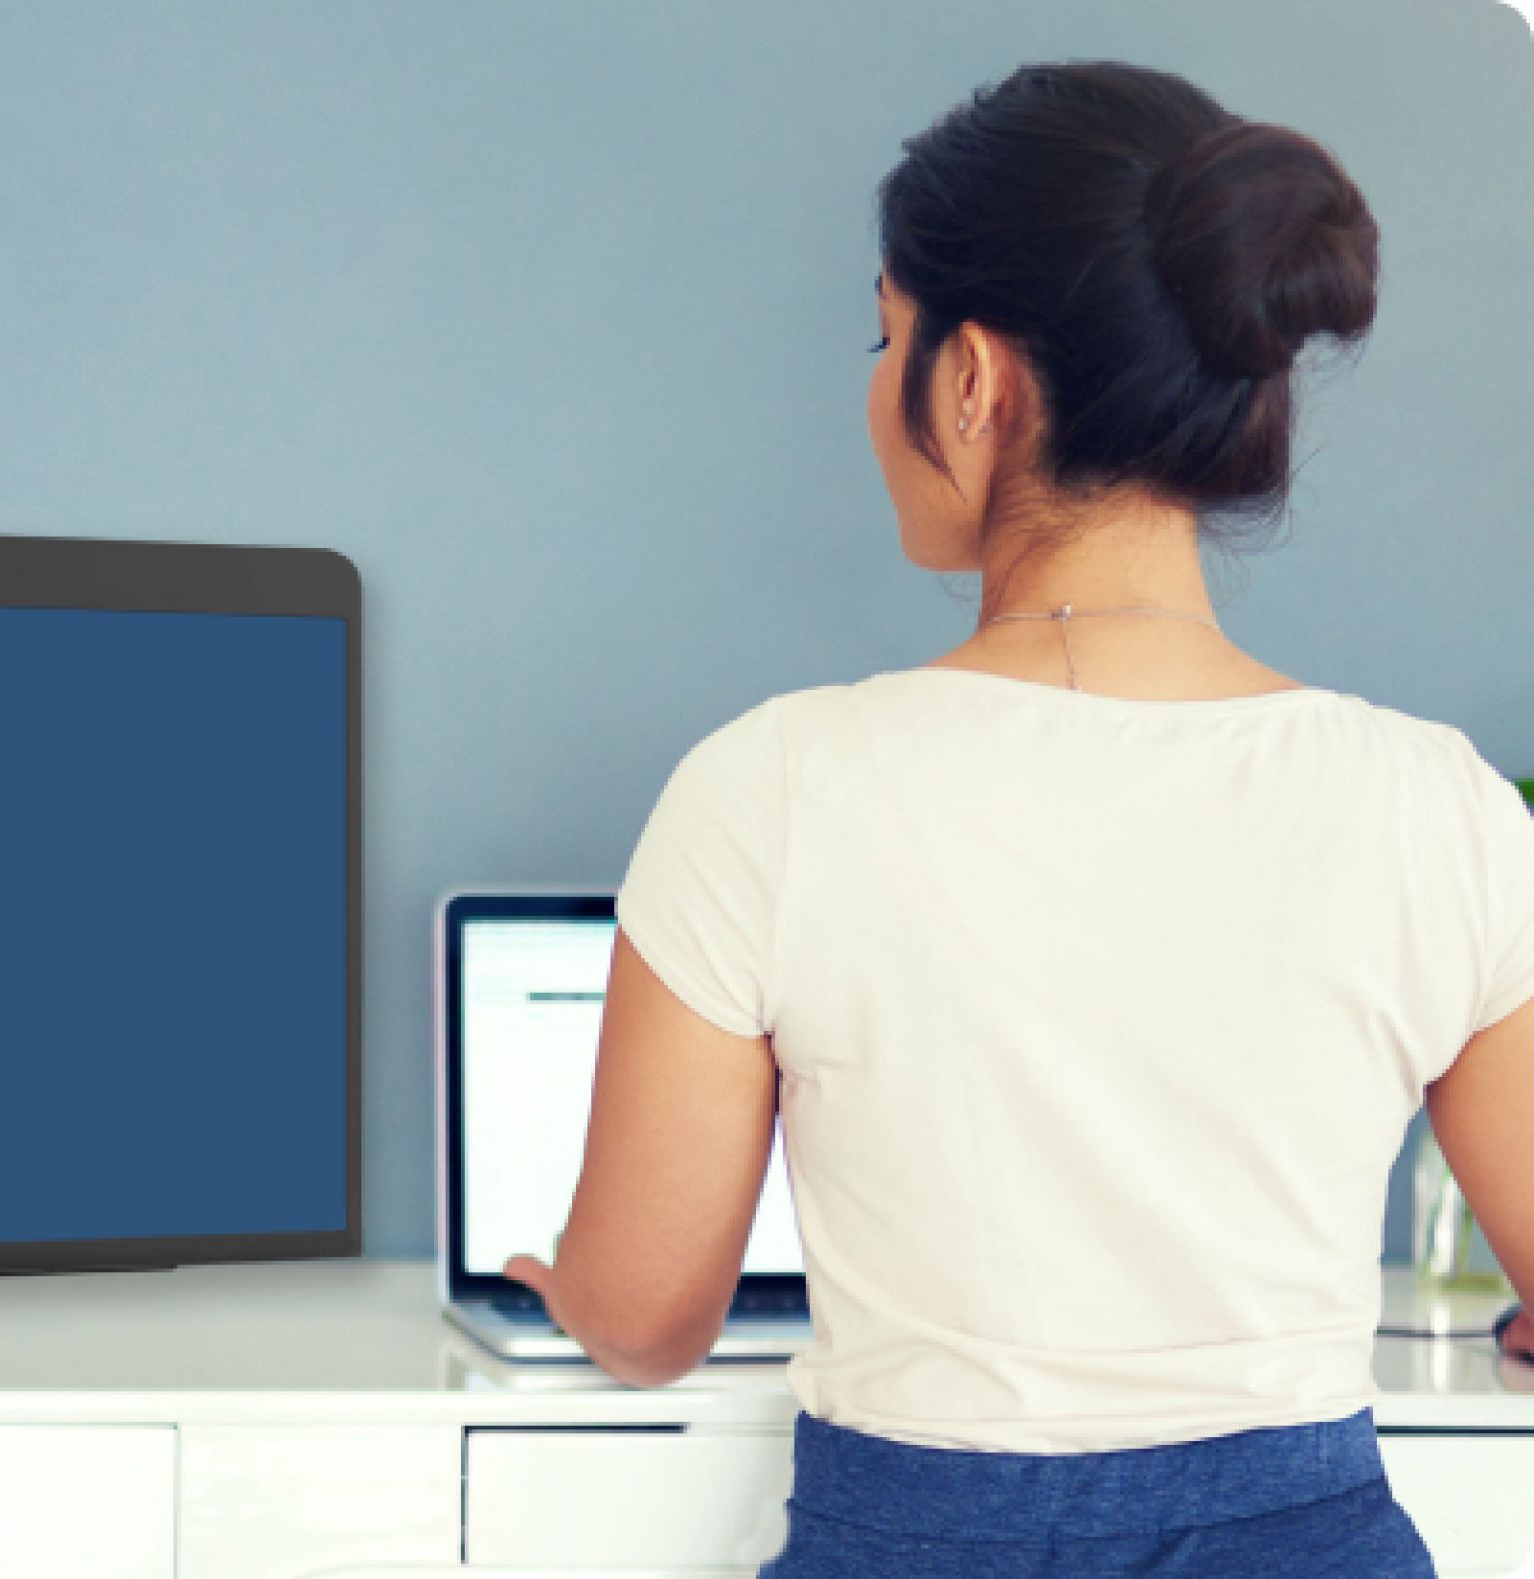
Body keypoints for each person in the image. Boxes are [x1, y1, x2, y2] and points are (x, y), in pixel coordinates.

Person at [500, 59, 1534, 1576]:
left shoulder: (771, 788)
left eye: (886, 332)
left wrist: (567, 1288)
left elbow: (650, 1318)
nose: (876, 378)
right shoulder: (1433, 802)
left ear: (974, 380)